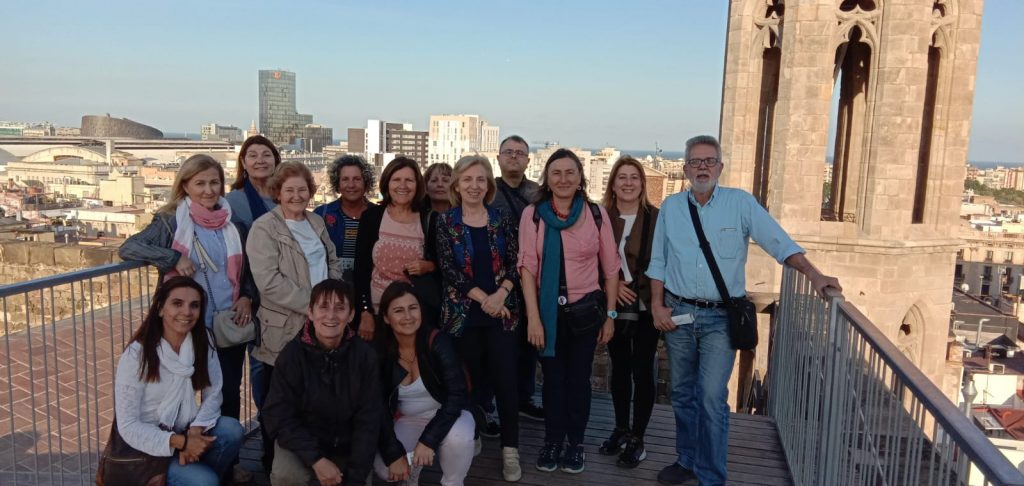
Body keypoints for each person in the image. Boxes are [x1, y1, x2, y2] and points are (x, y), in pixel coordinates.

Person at [649, 135, 842, 486]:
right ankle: (687, 459)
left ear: (720, 167)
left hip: (720, 319)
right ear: (686, 168)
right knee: (682, 393)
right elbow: (659, 260)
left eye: (709, 161)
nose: (703, 167)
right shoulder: (672, 208)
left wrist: (814, 275)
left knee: (711, 397)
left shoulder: (739, 203)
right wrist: (657, 306)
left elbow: (778, 241)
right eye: (696, 161)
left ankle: (711, 477)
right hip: (678, 314)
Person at [118, 154, 256, 435]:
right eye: (200, 183)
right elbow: (129, 248)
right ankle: (179, 446)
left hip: (226, 321)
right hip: (187, 322)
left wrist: (246, 296)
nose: (209, 190)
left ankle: (226, 452)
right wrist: (173, 258)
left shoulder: (234, 224)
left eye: (214, 183)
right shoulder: (171, 221)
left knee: (227, 390)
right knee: (179, 388)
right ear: (185, 186)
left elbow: (248, 269)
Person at [518, 148, 620, 474]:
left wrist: (611, 316)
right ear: (547, 179)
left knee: (578, 380)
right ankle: (552, 441)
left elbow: (611, 269)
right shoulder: (533, 215)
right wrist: (533, 318)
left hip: (585, 312)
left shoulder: (595, 214)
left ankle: (575, 443)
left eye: (570, 172)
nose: (563, 179)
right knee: (551, 381)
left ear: (580, 179)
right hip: (547, 314)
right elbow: (527, 269)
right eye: (556, 173)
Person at [435, 155, 522, 481]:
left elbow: (516, 262)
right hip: (463, 318)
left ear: (488, 185)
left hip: (502, 315)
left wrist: (500, 295)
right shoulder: (445, 221)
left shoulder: (502, 219)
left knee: (506, 383)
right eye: (467, 179)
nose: (474, 185)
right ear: (457, 185)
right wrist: (485, 299)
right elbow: (449, 269)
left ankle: (510, 449)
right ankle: (471, 436)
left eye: (481, 179)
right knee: (468, 383)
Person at [112, 276, 244, 486]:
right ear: (160, 309)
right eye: (177, 303)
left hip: (183, 429)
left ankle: (192, 472)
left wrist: (195, 432)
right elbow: (128, 425)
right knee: (204, 482)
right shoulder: (137, 355)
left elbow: (214, 391)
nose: (187, 312)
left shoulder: (203, 340)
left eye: (194, 305)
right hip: (146, 445)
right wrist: (181, 443)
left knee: (232, 430)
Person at [262, 279, 381, 486]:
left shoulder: (365, 356)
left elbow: (369, 419)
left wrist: (355, 476)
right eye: (323, 307)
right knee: (287, 476)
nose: (331, 316)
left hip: (347, 444)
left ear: (351, 314)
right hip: (301, 442)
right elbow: (278, 415)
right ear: (310, 312)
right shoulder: (292, 356)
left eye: (340, 308)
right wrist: (316, 459)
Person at [247, 161, 343, 402]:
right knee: (282, 399)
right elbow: (269, 281)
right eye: (289, 190)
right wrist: (312, 306)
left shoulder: (316, 221)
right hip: (285, 328)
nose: (296, 196)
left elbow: (332, 261)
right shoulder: (264, 228)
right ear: (278, 193)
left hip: (322, 323)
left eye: (302, 190)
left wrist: (330, 300)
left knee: (316, 396)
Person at [373, 282, 475, 486]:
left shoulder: (437, 341)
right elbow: (378, 406)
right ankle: (411, 475)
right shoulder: (381, 353)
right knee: (385, 468)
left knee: (459, 438)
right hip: (409, 419)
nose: (408, 316)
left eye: (413, 308)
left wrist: (428, 440)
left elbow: (457, 395)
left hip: (450, 415)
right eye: (398, 311)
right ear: (386, 317)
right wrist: (394, 453)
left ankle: (453, 482)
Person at [597, 156, 660, 468]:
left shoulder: (657, 218)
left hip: (647, 305)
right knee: (619, 367)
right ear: (613, 184)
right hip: (614, 304)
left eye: (634, 177)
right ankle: (621, 427)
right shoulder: (601, 217)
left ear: (642, 183)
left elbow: (665, 259)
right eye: (622, 177)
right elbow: (589, 258)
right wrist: (612, 285)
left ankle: (638, 436)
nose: (628, 183)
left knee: (643, 370)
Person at [225, 134, 281, 472]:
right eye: (253, 155)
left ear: (275, 160)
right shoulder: (231, 202)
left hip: (279, 302)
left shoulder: (284, 196)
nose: (260, 160)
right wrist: (246, 293)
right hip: (245, 301)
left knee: (273, 374)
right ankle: (243, 453)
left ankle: (274, 443)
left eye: (266, 154)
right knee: (244, 375)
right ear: (243, 164)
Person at [354, 157, 439, 341]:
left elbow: (442, 265)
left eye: (409, 180)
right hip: (378, 314)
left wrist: (428, 266)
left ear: (418, 185)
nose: (403, 186)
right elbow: (360, 270)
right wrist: (365, 311)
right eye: (396, 180)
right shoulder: (372, 217)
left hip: (414, 315)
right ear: (387, 183)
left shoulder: (429, 219)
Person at [491, 135, 545, 423]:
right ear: (498, 158)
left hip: (532, 278)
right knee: (495, 345)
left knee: (528, 344)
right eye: (508, 152)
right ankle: (489, 405)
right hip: (495, 279)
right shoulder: (488, 191)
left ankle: (524, 398)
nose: (514, 156)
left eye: (520, 153)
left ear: (528, 160)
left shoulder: (538, 194)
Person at [314, 154, 377, 283]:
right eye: (345, 179)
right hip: (332, 285)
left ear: (366, 183)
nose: (351, 185)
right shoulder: (321, 215)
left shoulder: (378, 215)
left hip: (369, 285)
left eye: (357, 179)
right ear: (337, 184)